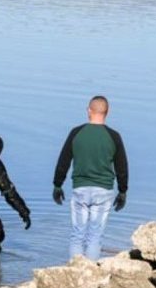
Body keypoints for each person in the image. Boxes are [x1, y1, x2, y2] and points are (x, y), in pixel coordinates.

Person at [51, 96, 129, 261]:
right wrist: (123, 191)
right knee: (95, 236)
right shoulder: (114, 136)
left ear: (89, 111)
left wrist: (57, 185)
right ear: (107, 113)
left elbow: (63, 160)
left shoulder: (76, 133)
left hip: (80, 188)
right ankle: (90, 274)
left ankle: (75, 272)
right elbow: (122, 166)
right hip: (104, 190)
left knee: (77, 235)